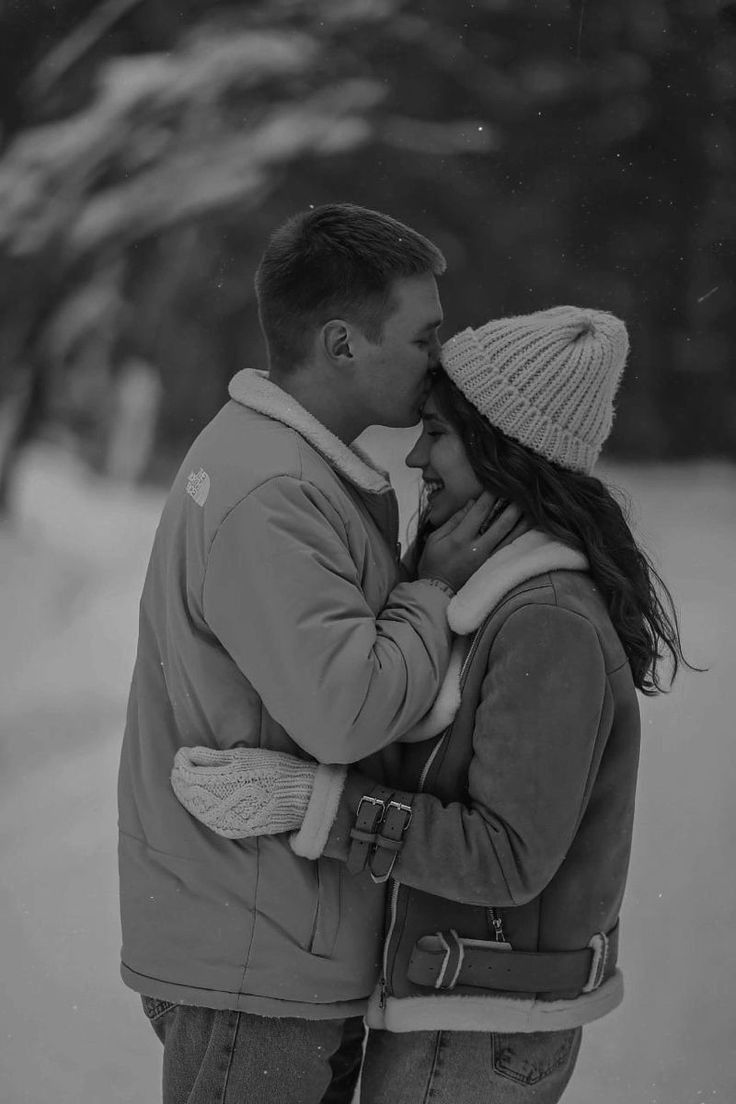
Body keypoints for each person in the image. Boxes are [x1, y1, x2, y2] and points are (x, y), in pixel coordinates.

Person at [172, 305, 692, 1103]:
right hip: (455, 1013)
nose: (416, 454)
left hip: (481, 1032)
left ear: (506, 454)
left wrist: (314, 803)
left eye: (440, 434)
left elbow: (508, 855)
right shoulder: (489, 594)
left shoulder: (545, 617)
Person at [117, 203, 512, 1104]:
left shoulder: (293, 466)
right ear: (341, 344)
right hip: (255, 960)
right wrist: (434, 591)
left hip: (269, 943)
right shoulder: (274, 492)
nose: (440, 358)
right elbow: (346, 712)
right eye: (425, 335)